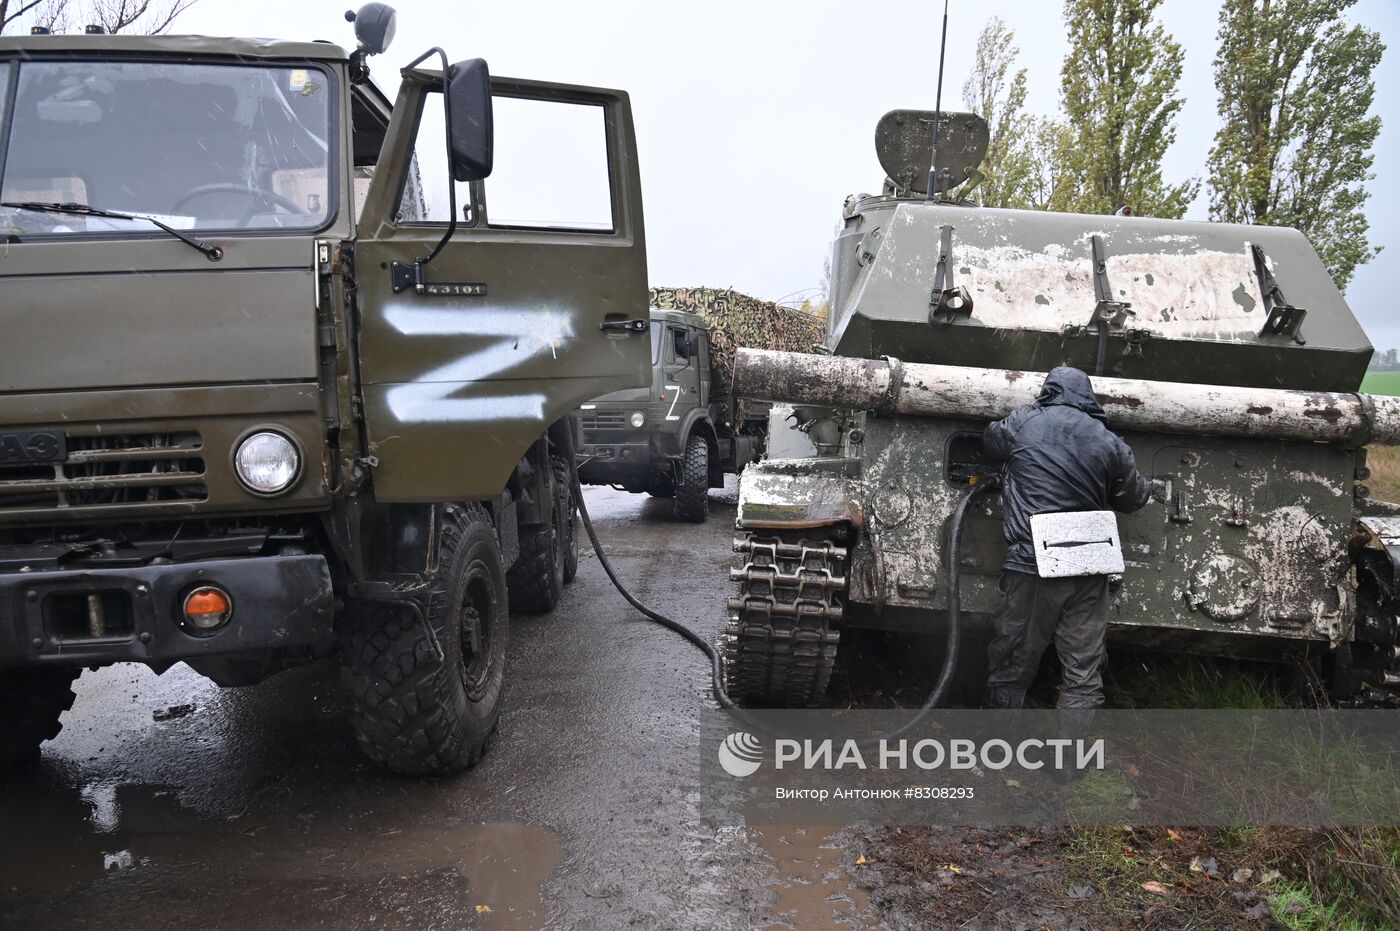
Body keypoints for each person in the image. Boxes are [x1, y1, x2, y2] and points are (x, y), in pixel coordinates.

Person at [981, 366, 1150, 710]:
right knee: (1083, 672)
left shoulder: (1024, 423)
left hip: (1032, 562)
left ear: (1048, 392)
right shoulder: (1109, 442)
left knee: (1013, 661)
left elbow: (990, 440)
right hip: (1088, 566)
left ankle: (999, 753)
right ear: (1088, 398)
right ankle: (1071, 763)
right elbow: (1133, 498)